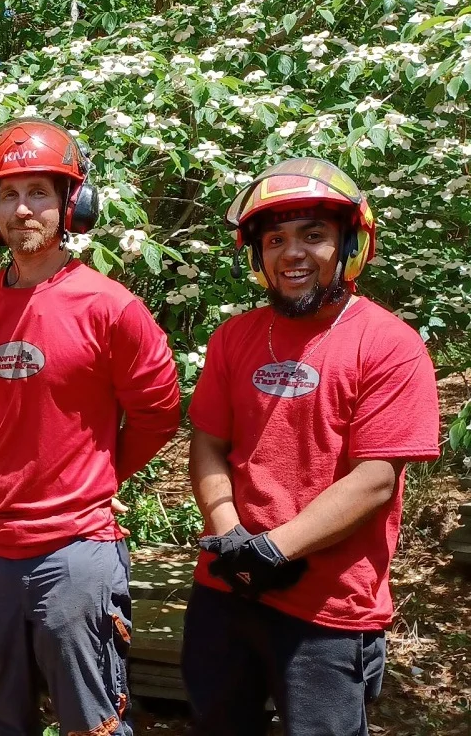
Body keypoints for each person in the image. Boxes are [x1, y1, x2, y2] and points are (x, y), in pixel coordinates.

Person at [182, 158, 441, 735]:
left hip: (328, 607)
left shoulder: (390, 344)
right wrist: (231, 535)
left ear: (349, 245)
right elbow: (209, 443)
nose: (291, 253)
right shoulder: (234, 336)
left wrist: (275, 550)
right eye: (275, 239)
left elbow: (375, 479)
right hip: (225, 586)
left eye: (313, 235)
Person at [0, 118, 181, 735]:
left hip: (74, 550)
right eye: (8, 194)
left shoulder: (111, 307)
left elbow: (160, 413)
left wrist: (98, 474)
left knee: (91, 722)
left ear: (71, 203)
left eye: (39, 192)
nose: (23, 209)